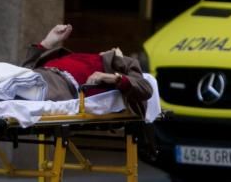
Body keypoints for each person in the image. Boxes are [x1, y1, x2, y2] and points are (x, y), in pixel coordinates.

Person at [23, 23, 153, 116]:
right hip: (35, 76)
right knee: (9, 81)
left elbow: (145, 89)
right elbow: (23, 71)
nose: (112, 48)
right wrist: (47, 43)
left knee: (11, 88)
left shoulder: (120, 65)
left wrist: (112, 77)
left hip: (58, 84)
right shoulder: (77, 57)